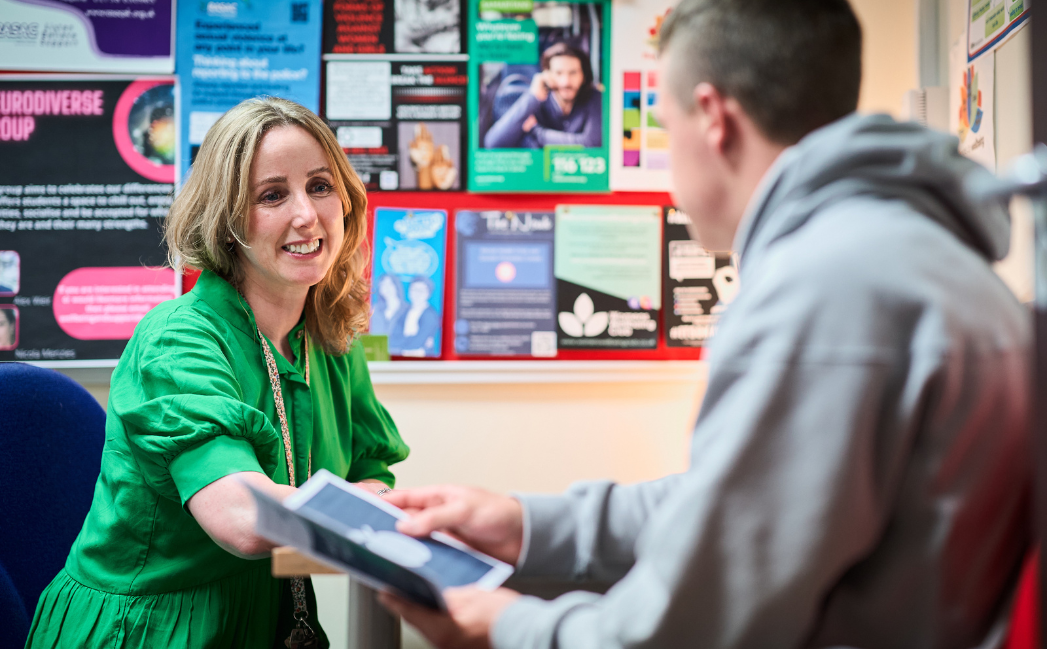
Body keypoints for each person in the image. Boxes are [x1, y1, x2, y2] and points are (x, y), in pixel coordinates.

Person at [381, 0, 1032, 647]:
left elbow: (682, 630)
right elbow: (734, 502)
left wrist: (506, 626)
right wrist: (525, 522)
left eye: (664, 125)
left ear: (715, 119)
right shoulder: (896, 250)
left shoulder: (822, 292)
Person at [25, 97, 410, 648]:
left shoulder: (330, 334)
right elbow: (244, 519)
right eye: (272, 195)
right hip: (150, 627)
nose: (306, 214)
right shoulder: (177, 340)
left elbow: (371, 472)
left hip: (263, 616)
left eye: (321, 186)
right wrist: (371, 513)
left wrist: (374, 499)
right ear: (227, 221)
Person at [484, 42, 603, 149]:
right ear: (547, 74)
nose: (566, 81)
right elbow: (493, 143)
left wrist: (537, 132)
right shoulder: (535, 101)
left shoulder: (594, 98)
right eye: (559, 73)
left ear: (583, 76)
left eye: (573, 73)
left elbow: (591, 143)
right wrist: (533, 97)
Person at [389, 275, 440, 356]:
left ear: (428, 293)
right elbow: (393, 338)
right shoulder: (404, 311)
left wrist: (402, 341)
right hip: (401, 358)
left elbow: (417, 342)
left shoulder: (430, 314)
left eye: (421, 291)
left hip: (423, 360)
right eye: (414, 290)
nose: (417, 294)